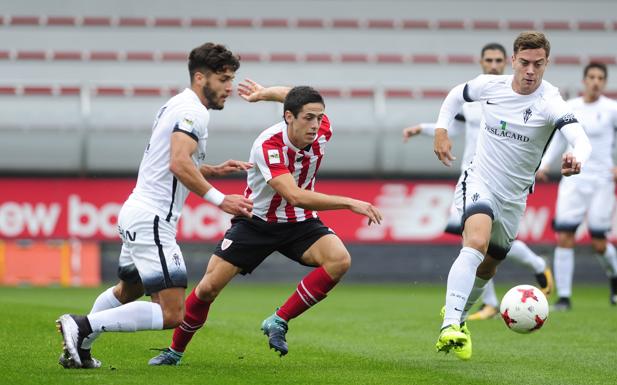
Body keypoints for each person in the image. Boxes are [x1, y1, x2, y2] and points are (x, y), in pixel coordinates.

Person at [148, 80, 383, 365]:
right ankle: (175, 351)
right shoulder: (269, 145)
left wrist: (263, 94)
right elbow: (294, 195)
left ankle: (279, 320)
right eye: (308, 118)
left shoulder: (321, 129)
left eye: (319, 117)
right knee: (209, 288)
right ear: (289, 117)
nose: (315, 124)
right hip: (256, 221)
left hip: (300, 223)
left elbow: (292, 96)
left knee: (339, 260)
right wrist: (349, 202)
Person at [55, 42, 254, 369]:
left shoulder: (176, 104)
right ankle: (82, 326)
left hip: (136, 211)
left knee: (127, 290)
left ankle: (80, 347)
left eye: (231, 79)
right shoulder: (193, 112)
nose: (229, 87)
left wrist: (211, 169)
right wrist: (221, 199)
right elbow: (178, 163)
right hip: (152, 219)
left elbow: (171, 159)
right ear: (201, 78)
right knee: (173, 313)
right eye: (223, 79)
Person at [432, 31, 592, 360]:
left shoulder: (550, 102)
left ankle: (459, 322)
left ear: (546, 64)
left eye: (538, 64)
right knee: (475, 242)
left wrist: (579, 157)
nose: (530, 70)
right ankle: (449, 324)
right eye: (524, 63)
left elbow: (580, 137)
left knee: (490, 266)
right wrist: (440, 131)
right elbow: (454, 96)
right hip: (480, 179)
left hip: (515, 197)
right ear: (513, 61)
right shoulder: (491, 86)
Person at [403, 43, 553, 321]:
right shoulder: (476, 97)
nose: (494, 64)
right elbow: (454, 126)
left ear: (506, 63)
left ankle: (491, 298)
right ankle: (489, 299)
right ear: (482, 62)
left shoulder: (516, 99)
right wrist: (425, 130)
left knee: (475, 243)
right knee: (474, 242)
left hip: (503, 180)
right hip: (474, 176)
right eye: (489, 60)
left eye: (498, 60)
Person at [536, 62, 617, 311]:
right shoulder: (571, 107)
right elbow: (558, 138)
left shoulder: (613, 110)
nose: (595, 81)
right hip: (573, 180)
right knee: (564, 236)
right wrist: (544, 164)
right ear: (585, 80)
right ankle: (564, 298)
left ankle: (615, 274)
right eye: (591, 77)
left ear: (604, 82)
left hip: (601, 181)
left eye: (600, 78)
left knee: (598, 242)